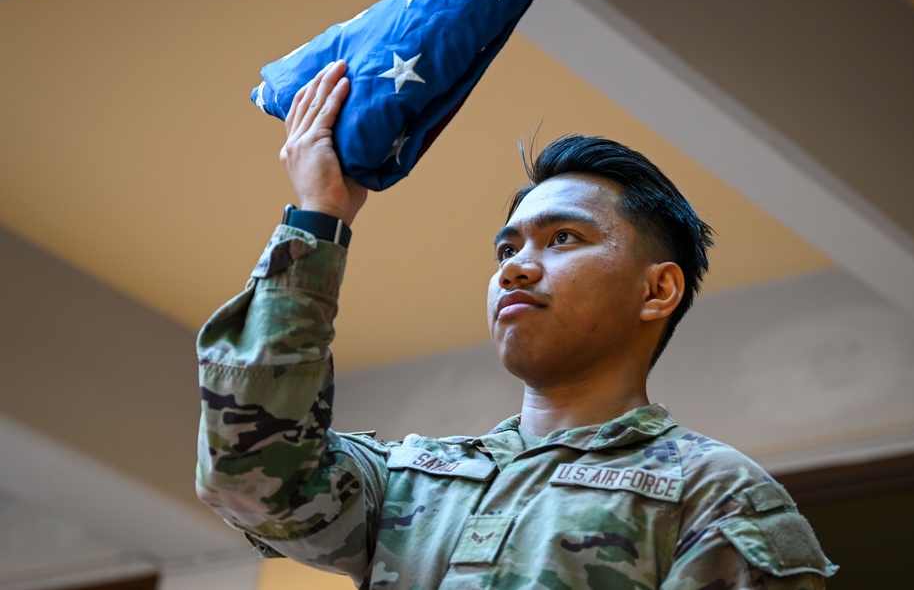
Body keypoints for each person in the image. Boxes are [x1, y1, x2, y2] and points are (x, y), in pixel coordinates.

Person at [196, 60, 837, 589]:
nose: (518, 269)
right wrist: (319, 217)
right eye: (507, 250)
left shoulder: (716, 495)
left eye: (563, 238)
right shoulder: (407, 481)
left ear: (658, 289)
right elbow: (249, 473)